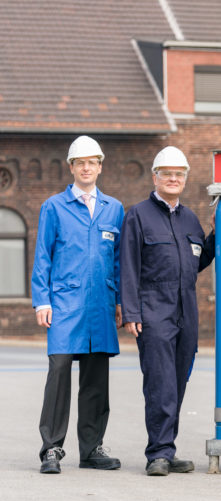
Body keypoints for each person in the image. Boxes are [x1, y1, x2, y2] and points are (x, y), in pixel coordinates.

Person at [31, 135, 124, 474]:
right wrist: (42, 300)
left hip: (101, 304)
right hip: (65, 303)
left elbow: (117, 261)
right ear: (72, 167)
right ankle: (52, 448)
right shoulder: (53, 207)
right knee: (58, 372)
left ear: (100, 167)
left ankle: (91, 448)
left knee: (97, 378)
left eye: (93, 162)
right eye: (80, 162)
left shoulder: (113, 208)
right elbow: (43, 255)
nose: (87, 168)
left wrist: (120, 302)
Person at [120, 146, 215, 476]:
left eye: (179, 174)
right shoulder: (138, 215)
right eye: (167, 174)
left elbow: (198, 260)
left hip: (186, 310)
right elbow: (128, 267)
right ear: (155, 177)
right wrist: (132, 312)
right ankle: (157, 453)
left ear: (185, 179)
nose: (173, 179)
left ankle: (168, 447)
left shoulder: (189, 218)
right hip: (154, 310)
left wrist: (217, 234)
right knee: (160, 382)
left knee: (178, 380)